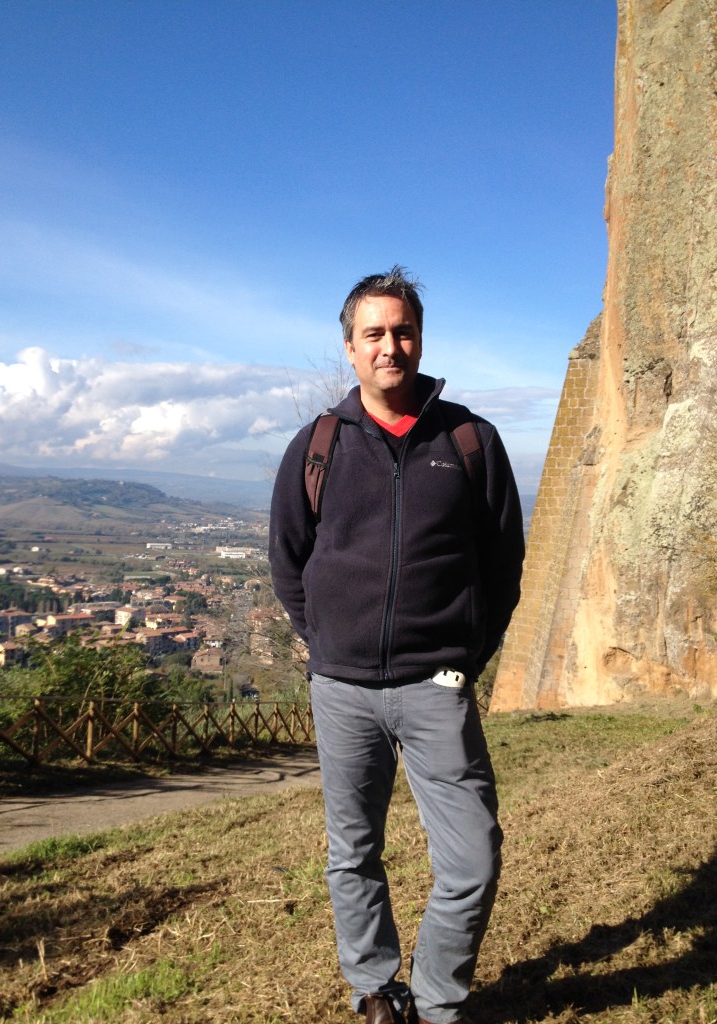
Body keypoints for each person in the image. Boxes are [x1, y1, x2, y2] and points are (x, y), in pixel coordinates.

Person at [269, 266, 524, 1024]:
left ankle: (439, 1001)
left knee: (473, 857)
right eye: (374, 333)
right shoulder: (318, 445)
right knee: (352, 852)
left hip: (436, 685)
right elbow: (288, 561)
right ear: (350, 347)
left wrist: (463, 653)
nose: (390, 346)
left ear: (420, 340)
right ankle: (376, 991)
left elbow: (503, 564)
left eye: (403, 331)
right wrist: (328, 645)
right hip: (341, 688)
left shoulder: (470, 440)